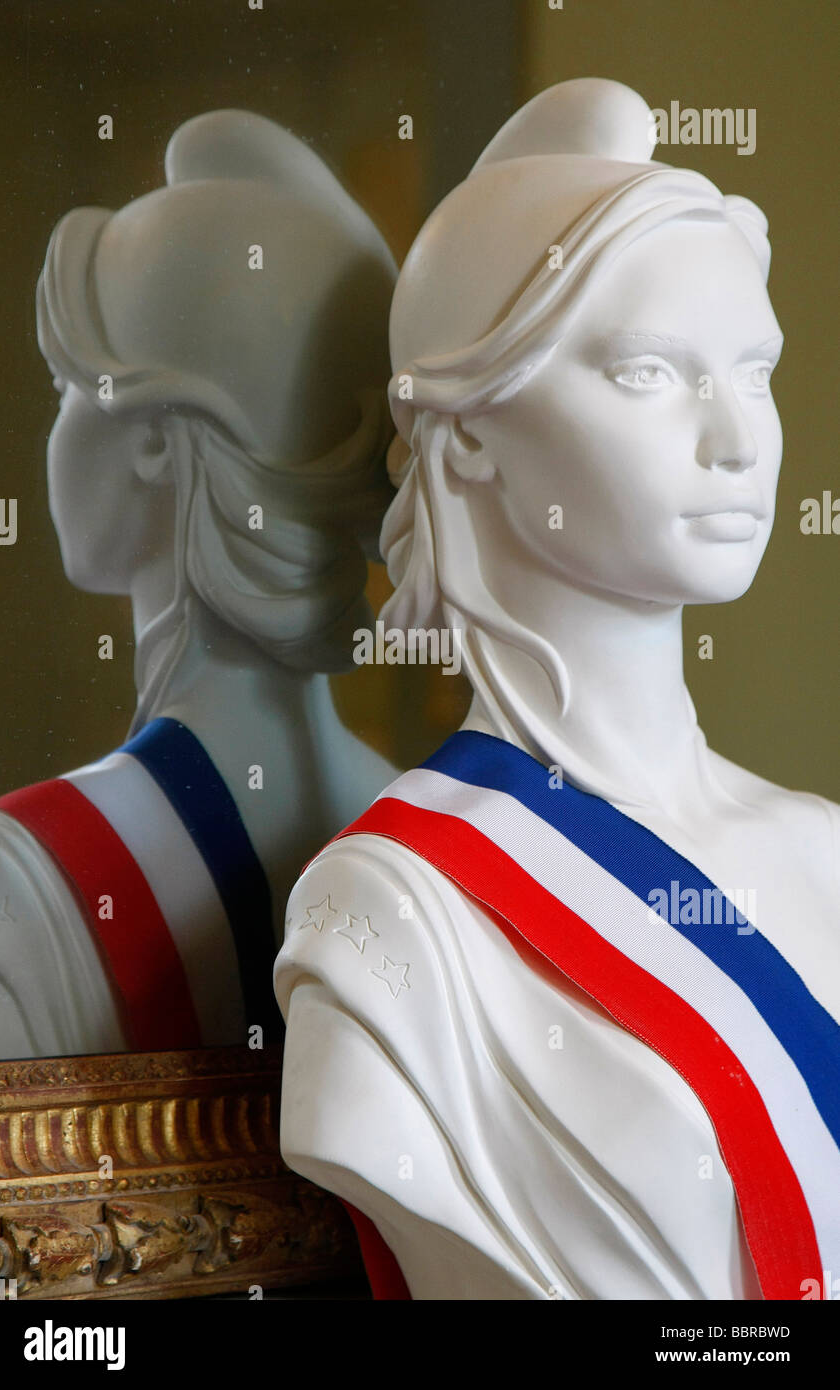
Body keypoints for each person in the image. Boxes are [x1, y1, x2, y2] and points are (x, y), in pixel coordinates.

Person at [275, 79, 840, 1300]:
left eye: (753, 369)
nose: (737, 440)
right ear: (467, 428)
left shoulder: (823, 850)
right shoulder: (385, 917)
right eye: (647, 372)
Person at [0, 109, 398, 1061]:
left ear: (158, 441)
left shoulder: (9, 890)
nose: (53, 438)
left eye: (66, 392)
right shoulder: (433, 837)